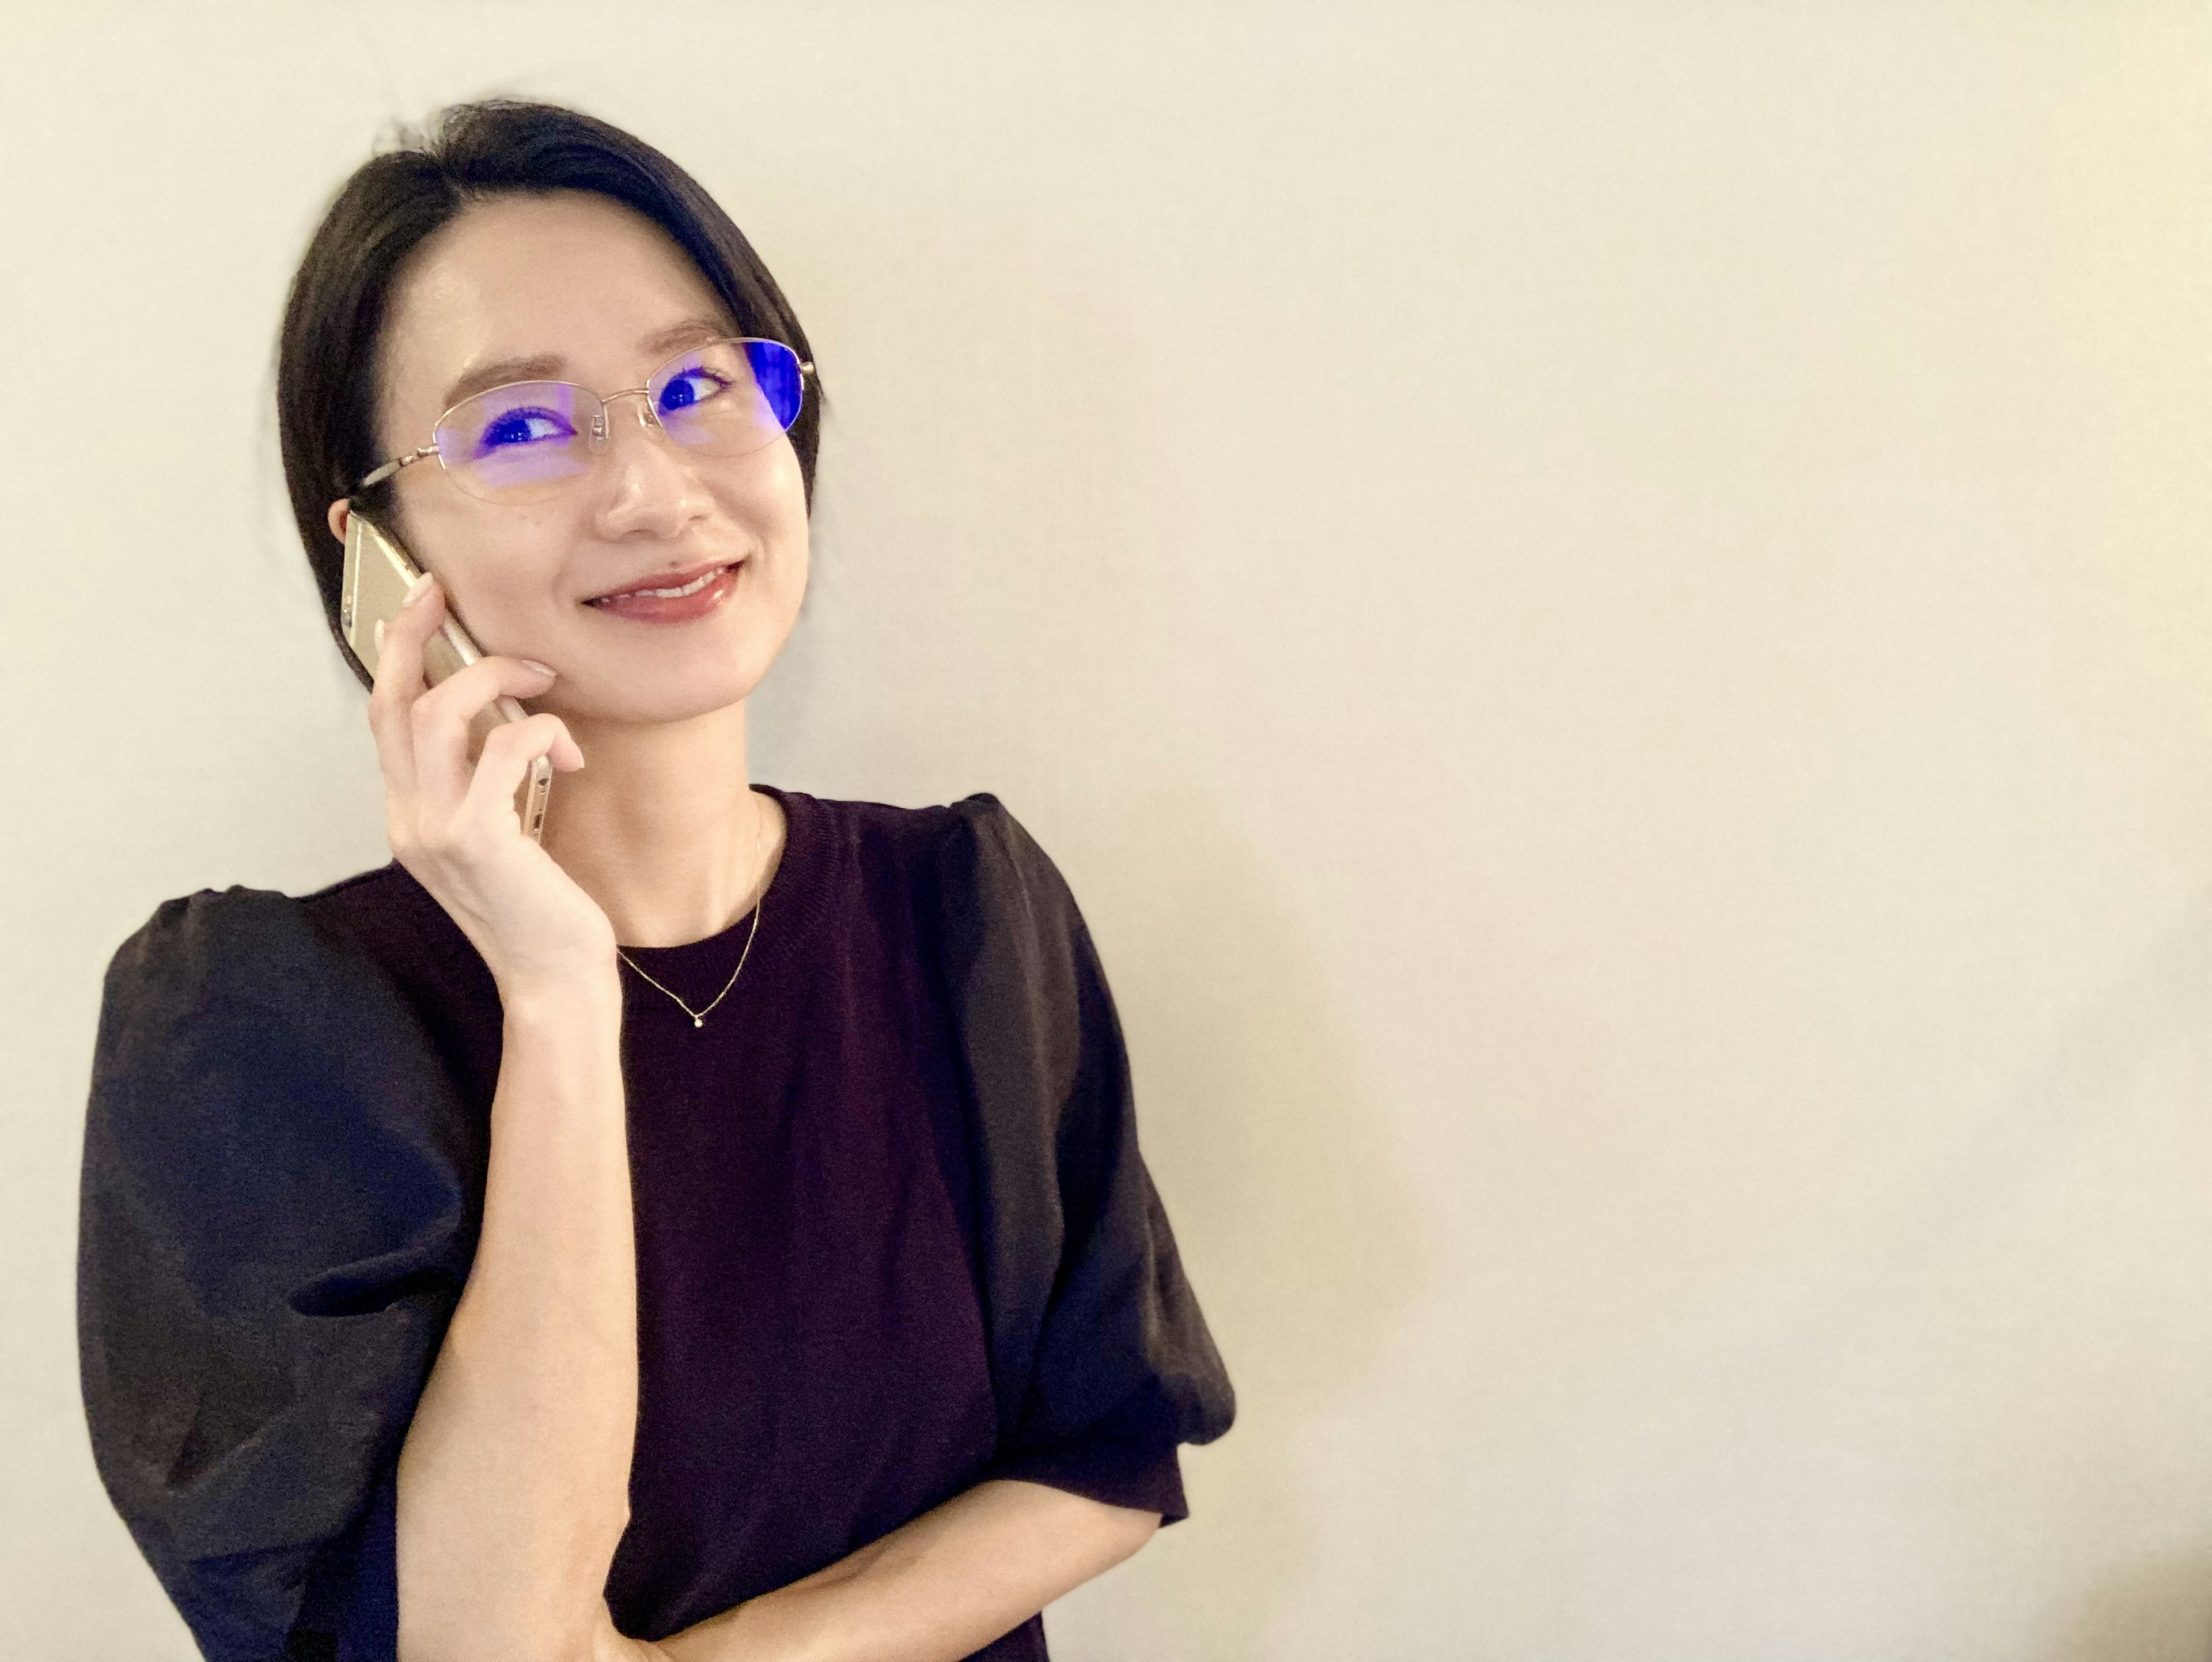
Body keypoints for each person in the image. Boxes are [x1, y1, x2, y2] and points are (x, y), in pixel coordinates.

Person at [76, 100, 1233, 1662]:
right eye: (525, 427)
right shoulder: (255, 1037)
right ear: (380, 557)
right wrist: (554, 997)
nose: (653, 488)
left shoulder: (961, 912)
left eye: (698, 387)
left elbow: (1109, 1448)